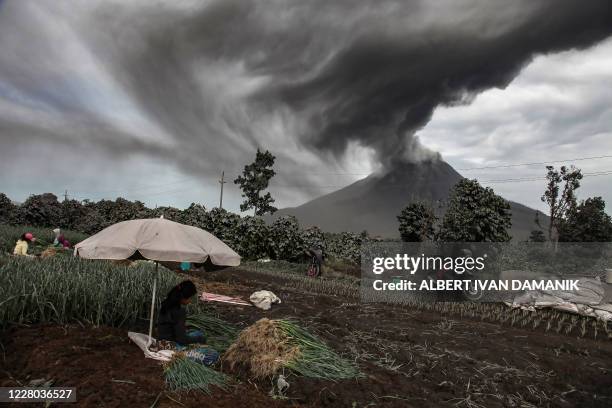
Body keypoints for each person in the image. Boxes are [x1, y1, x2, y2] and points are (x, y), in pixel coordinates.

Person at [155, 280, 219, 366]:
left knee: (198, 333)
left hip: (161, 344)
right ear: (183, 297)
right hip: (173, 348)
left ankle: (189, 349)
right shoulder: (180, 311)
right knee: (212, 355)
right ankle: (182, 356)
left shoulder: (166, 304)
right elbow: (182, 340)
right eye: (190, 298)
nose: (190, 301)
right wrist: (199, 339)